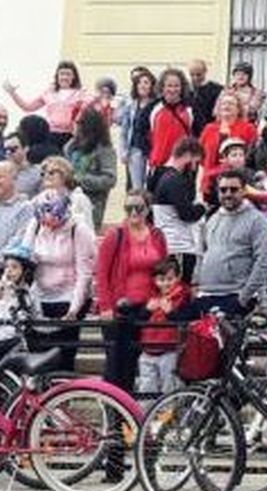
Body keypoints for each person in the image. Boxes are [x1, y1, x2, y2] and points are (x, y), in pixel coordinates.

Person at [21, 191, 95, 371]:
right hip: (39, 296)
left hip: (67, 295)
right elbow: (23, 255)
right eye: (44, 220)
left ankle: (62, 394)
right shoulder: (36, 225)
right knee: (37, 355)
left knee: (63, 357)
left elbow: (84, 272)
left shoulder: (78, 229)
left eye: (53, 220)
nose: (48, 225)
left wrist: (74, 309)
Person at [193, 168, 267, 317]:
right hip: (206, 296)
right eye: (223, 190)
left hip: (236, 296)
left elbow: (264, 262)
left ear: (244, 190)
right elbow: (201, 254)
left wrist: (243, 298)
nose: (228, 194)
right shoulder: (211, 219)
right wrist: (196, 285)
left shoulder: (258, 220)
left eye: (233, 189)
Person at [93, 188, 168, 322]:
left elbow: (165, 270)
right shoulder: (115, 235)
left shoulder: (157, 236)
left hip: (150, 306)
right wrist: (105, 306)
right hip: (121, 306)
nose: (133, 212)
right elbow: (101, 273)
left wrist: (164, 298)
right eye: (128, 208)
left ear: (147, 209)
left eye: (138, 208)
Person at [149, 137, 206, 282]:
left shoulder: (164, 176)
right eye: (195, 162)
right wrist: (202, 207)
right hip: (178, 246)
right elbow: (187, 214)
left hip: (171, 243)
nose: (195, 167)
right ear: (187, 155)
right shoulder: (174, 180)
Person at [4, 60, 91, 149]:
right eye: (62, 74)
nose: (64, 77)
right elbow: (28, 107)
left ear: (74, 77)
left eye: (68, 74)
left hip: (71, 135)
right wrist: (13, 93)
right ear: (57, 76)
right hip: (51, 134)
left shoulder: (81, 94)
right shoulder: (48, 93)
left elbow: (89, 110)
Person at [136, 258, 191, 396]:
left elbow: (186, 319)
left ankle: (170, 415)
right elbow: (139, 319)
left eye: (169, 279)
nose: (165, 283)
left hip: (169, 350)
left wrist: (171, 313)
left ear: (177, 278)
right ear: (155, 280)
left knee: (169, 387)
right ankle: (147, 414)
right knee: (146, 387)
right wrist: (147, 310)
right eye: (161, 279)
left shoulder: (183, 297)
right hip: (148, 348)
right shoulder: (152, 297)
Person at [63, 109, 118, 230]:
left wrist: (80, 179)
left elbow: (110, 179)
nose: (74, 124)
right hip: (67, 204)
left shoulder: (104, 150)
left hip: (91, 206)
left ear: (88, 126)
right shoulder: (69, 147)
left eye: (78, 122)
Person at [198, 91, 258, 199]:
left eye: (231, 103)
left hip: (236, 183)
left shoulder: (248, 129)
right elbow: (201, 159)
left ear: (238, 109)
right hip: (210, 182)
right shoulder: (209, 129)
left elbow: (252, 157)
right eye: (224, 103)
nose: (227, 106)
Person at [147, 68, 197, 170]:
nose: (173, 90)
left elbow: (198, 135)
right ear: (162, 87)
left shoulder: (191, 108)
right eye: (169, 86)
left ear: (182, 87)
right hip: (158, 164)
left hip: (183, 165)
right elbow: (141, 133)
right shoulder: (152, 108)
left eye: (176, 86)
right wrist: (150, 153)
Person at [121, 67, 159, 192]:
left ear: (152, 86)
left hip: (152, 150)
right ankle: (138, 210)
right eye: (139, 82)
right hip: (135, 150)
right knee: (137, 187)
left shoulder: (157, 105)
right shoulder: (130, 106)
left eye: (146, 82)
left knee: (151, 186)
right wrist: (124, 151)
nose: (143, 85)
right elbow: (124, 130)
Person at [187, 59, 224, 128]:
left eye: (198, 75)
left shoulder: (216, 90)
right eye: (192, 75)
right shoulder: (186, 90)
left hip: (210, 128)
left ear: (205, 72)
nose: (195, 78)